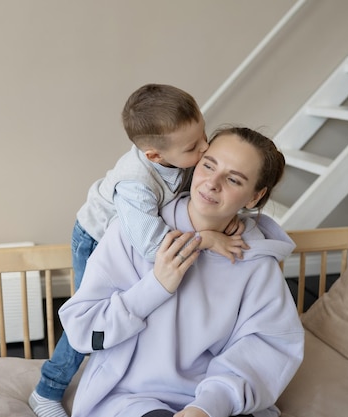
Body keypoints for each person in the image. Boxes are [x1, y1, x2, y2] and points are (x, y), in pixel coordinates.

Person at [30, 85, 248, 417]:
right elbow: (151, 246)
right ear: (154, 156)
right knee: (92, 317)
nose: (205, 147)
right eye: (195, 147)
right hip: (95, 237)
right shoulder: (135, 185)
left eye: (204, 133)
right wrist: (207, 237)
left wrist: (228, 215)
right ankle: (47, 390)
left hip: (131, 239)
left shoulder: (179, 152)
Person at [59, 126, 305, 417]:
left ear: (254, 197)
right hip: (130, 400)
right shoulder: (133, 233)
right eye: (208, 165)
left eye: (234, 179)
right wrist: (156, 286)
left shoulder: (257, 263)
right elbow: (82, 331)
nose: (212, 183)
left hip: (213, 403)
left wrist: (206, 407)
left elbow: (267, 350)